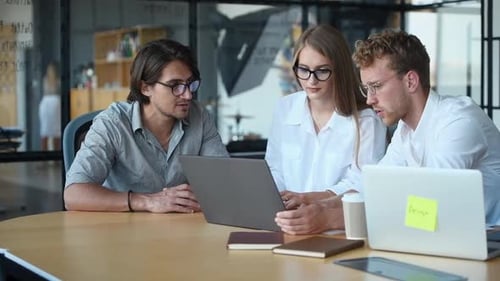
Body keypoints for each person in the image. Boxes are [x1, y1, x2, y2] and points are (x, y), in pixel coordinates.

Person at [352, 29, 500, 226]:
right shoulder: (405, 131)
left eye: (376, 86)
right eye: (366, 89)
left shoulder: (458, 122)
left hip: (491, 244)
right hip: (448, 240)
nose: (370, 99)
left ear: (410, 81)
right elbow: (373, 188)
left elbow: (430, 207)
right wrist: (320, 204)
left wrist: (337, 216)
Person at [64, 39, 229, 213]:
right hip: (121, 231)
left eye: (190, 84)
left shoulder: (199, 117)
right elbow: (74, 195)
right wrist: (147, 202)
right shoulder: (113, 123)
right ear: (145, 88)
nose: (188, 95)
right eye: (175, 86)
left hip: (181, 231)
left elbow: (225, 180)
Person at [268, 24, 387, 234]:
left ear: (339, 70)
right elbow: (274, 170)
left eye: (322, 71)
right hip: (287, 225)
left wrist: (311, 200)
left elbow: (362, 185)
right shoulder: (284, 108)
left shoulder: (367, 120)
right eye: (303, 70)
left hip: (338, 232)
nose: (311, 80)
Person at [39, 62, 61, 151]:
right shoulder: (58, 80)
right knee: (56, 131)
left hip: (46, 103)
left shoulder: (45, 79)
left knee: (45, 130)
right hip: (55, 103)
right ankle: (56, 154)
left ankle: (43, 156)